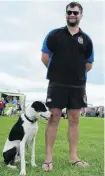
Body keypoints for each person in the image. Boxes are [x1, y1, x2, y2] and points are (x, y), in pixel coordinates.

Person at [41, 1, 94, 171]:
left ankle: (74, 157)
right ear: (66, 14)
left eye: (75, 13)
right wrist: (59, 73)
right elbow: (45, 57)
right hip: (57, 84)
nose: (72, 15)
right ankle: (48, 158)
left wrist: (75, 74)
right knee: (54, 117)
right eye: (69, 12)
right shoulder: (54, 35)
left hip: (77, 86)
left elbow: (89, 64)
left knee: (74, 119)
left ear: (81, 15)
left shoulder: (86, 39)